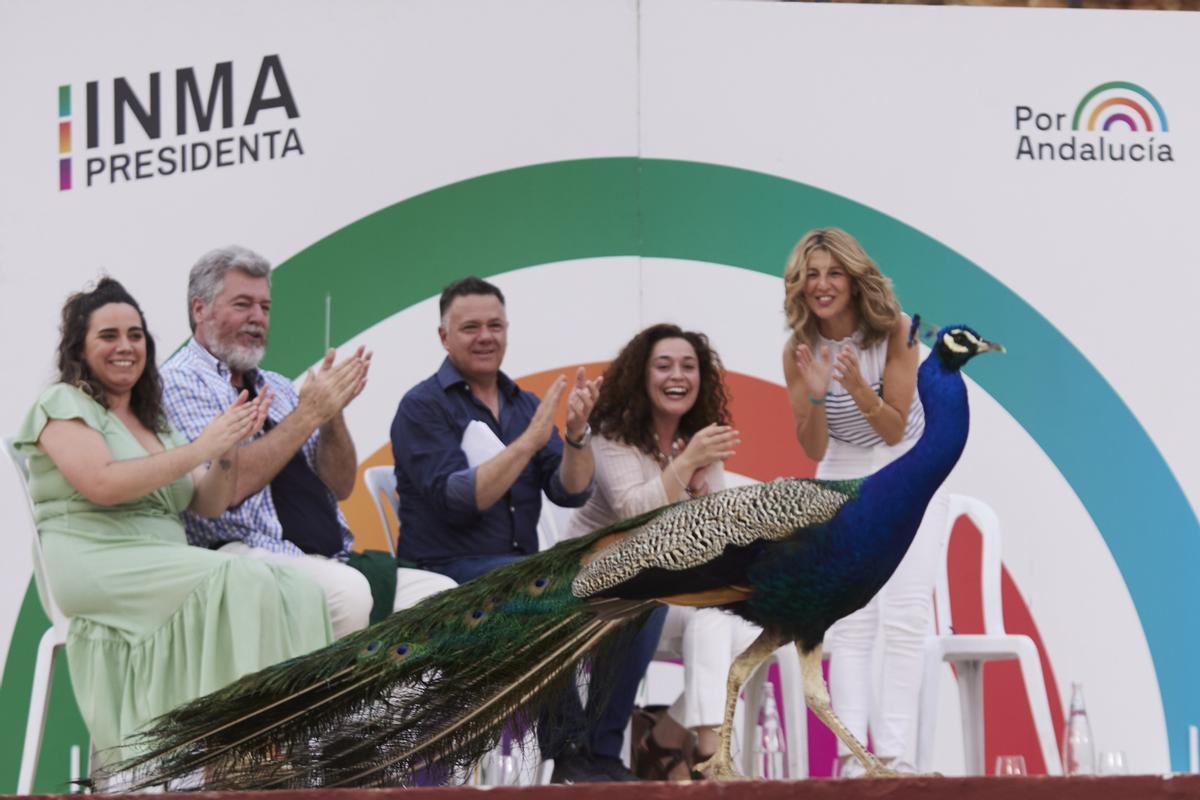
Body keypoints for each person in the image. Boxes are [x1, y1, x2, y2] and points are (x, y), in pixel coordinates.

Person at [14, 278, 332, 757]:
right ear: (79, 346)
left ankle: (292, 752)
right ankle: (228, 749)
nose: (125, 347)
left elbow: (205, 501)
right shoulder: (63, 405)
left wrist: (226, 451)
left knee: (300, 589)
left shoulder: (152, 418)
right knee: (238, 579)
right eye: (109, 336)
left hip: (164, 558)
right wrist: (200, 448)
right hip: (94, 559)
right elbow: (102, 483)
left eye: (135, 335)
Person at [390, 276, 666, 783]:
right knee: (541, 587)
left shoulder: (521, 403)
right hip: (447, 570)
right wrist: (528, 442)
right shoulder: (423, 406)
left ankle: (603, 752)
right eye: (470, 327)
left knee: (642, 592)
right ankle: (566, 752)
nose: (485, 336)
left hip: (518, 570)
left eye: (495, 325)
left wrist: (577, 436)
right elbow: (460, 500)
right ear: (443, 337)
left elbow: (571, 490)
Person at [161, 246, 455, 640]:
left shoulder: (278, 385)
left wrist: (332, 414)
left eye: (264, 307)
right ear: (200, 309)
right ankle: (335, 703)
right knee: (348, 596)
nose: (257, 318)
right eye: (243, 304)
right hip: (235, 554)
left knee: (442, 598)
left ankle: (399, 705)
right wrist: (308, 414)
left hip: (323, 555)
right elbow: (224, 490)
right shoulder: (178, 381)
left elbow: (340, 485)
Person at [781, 227, 948, 776]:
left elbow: (896, 430)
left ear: (854, 280)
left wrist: (855, 388)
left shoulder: (899, 331)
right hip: (841, 474)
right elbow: (814, 445)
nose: (822, 285)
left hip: (905, 469)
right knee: (850, 621)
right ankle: (856, 761)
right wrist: (814, 392)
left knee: (902, 617)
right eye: (812, 275)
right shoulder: (798, 349)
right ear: (800, 285)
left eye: (834, 273)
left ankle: (895, 755)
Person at [565, 323, 756, 780]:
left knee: (747, 622)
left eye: (689, 366)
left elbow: (713, 536)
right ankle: (693, 750)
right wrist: (688, 464)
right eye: (664, 365)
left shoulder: (699, 441)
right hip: (602, 590)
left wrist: (698, 484)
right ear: (640, 376)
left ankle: (679, 740)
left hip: (661, 591)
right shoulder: (613, 436)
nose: (678, 376)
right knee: (710, 615)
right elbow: (634, 511)